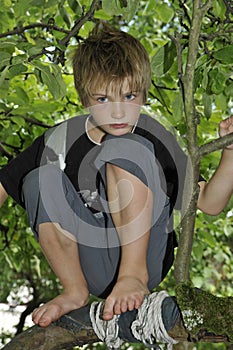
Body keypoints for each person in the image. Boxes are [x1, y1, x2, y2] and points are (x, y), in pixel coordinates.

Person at [0, 23, 232, 330]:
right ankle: (74, 291)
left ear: (144, 93)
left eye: (129, 95)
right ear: (84, 98)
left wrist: (230, 152)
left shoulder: (155, 137)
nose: (118, 113)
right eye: (103, 100)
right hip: (94, 267)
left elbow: (210, 203)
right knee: (38, 179)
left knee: (126, 146)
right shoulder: (59, 141)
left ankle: (132, 275)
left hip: (147, 258)